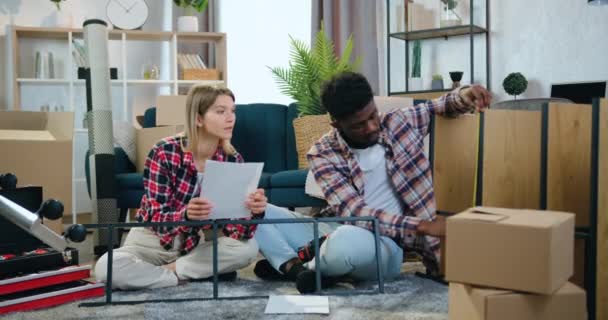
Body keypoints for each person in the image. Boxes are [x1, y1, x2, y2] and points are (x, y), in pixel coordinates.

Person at [254, 71, 491, 292]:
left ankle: (307, 264)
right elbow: (355, 213)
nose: (371, 127)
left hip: (384, 246)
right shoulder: (323, 153)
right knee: (254, 210)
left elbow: (442, 106)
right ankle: (298, 268)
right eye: (358, 125)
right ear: (336, 124)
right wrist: (422, 226)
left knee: (344, 244)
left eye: (372, 116)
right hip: (339, 228)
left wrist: (466, 94)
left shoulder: (400, 123)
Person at [95, 85, 267, 290]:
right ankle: (185, 275)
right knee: (107, 267)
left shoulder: (233, 159)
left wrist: (254, 212)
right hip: (152, 241)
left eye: (233, 111)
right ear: (198, 118)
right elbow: (157, 218)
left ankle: (171, 271)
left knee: (248, 249)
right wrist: (186, 216)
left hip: (197, 245)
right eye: (221, 111)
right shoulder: (164, 152)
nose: (231, 118)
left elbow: (236, 232)